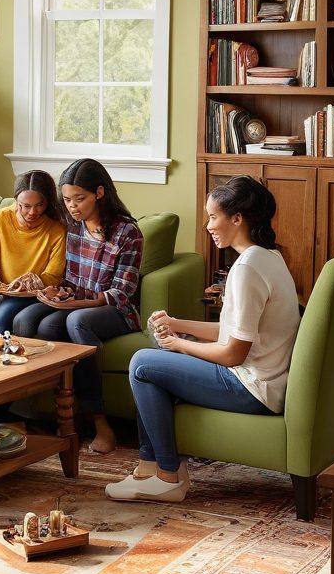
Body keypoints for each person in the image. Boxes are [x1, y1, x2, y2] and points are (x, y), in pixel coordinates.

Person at [107, 176, 300, 504]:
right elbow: (234, 331)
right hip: (262, 379)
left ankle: (167, 476)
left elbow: (233, 355)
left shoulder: (247, 269)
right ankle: (148, 468)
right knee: (153, 356)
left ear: (237, 218)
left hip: (251, 387)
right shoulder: (268, 257)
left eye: (213, 217)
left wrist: (180, 344)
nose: (207, 225)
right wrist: (176, 325)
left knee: (142, 363)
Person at [13, 159, 142, 454]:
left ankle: (100, 422)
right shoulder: (72, 227)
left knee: (77, 322)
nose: (72, 206)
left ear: (99, 192)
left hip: (117, 312)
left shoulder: (127, 233)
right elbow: (72, 281)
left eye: (79, 199)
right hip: (81, 302)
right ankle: (42, 416)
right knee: (28, 319)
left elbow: (121, 294)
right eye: (68, 199)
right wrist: (56, 292)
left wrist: (74, 304)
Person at [0, 170, 66, 336]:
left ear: (48, 202)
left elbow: (53, 275)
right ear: (16, 200)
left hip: (29, 293)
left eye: (39, 205)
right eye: (25, 206)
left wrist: (27, 284)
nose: (32, 212)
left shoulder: (57, 230)